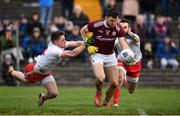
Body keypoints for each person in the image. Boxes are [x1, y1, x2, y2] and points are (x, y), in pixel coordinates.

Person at [8, 31, 86, 106]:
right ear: (56, 41)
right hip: (34, 70)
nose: (65, 41)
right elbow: (72, 54)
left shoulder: (60, 44)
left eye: (64, 39)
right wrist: (85, 45)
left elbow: (75, 43)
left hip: (45, 73)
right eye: (63, 40)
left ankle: (42, 97)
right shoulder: (54, 50)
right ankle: (12, 72)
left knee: (54, 93)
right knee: (25, 81)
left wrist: (87, 41)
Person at [81, 8, 131, 107]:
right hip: (97, 54)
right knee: (100, 78)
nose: (114, 23)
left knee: (114, 83)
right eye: (111, 20)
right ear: (106, 18)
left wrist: (128, 52)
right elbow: (83, 30)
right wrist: (88, 44)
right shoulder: (97, 24)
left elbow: (122, 42)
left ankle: (106, 101)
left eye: (116, 20)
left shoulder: (118, 28)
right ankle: (99, 91)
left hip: (110, 55)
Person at [113, 19, 142, 107]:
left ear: (129, 28)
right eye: (120, 27)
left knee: (131, 90)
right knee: (119, 77)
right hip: (122, 62)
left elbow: (137, 39)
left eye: (125, 27)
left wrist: (130, 33)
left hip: (135, 64)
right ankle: (115, 103)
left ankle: (125, 80)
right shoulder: (116, 39)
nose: (122, 29)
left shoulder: (134, 37)